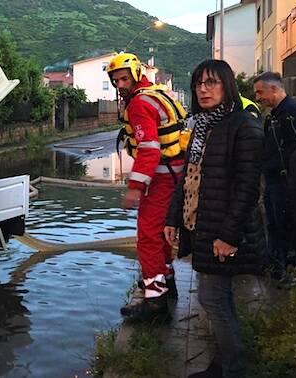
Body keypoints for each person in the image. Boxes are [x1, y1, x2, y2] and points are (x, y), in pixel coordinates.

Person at [164, 59, 265, 378]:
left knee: (212, 299)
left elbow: (248, 186)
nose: (203, 89)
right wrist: (173, 217)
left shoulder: (243, 125)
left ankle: (234, 368)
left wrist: (229, 236)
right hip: (202, 225)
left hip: (224, 230)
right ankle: (222, 364)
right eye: (198, 84)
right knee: (219, 298)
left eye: (212, 83)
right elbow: (188, 178)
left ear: (227, 86)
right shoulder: (202, 125)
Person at [107, 52, 187, 319]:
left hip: (162, 177)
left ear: (136, 76)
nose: (119, 85)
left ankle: (155, 301)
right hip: (175, 172)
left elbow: (150, 149)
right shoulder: (156, 93)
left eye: (123, 79)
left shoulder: (139, 104)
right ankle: (167, 281)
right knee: (163, 232)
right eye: (115, 80)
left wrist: (134, 188)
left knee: (148, 236)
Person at [253, 72, 296, 275]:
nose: (257, 97)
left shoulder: (293, 112)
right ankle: (275, 262)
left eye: (260, 92)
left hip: (287, 181)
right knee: (272, 223)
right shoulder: (274, 115)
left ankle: (286, 266)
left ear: (274, 89)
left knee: (285, 225)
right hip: (273, 179)